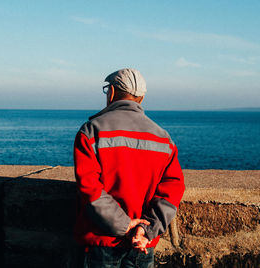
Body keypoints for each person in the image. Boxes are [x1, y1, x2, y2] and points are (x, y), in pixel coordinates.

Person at [74, 68, 185, 267]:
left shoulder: (91, 131)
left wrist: (124, 225)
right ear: (141, 98)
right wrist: (146, 229)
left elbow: (89, 188)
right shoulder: (163, 138)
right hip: (142, 243)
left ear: (113, 93)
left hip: (102, 241)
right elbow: (173, 189)